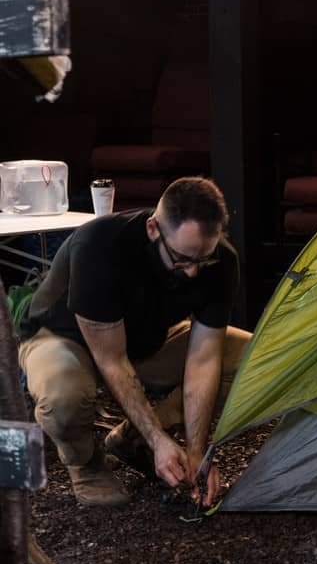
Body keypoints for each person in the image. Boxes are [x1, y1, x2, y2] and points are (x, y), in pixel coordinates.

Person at [18, 176, 249, 508]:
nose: (193, 272)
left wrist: (197, 450)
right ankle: (85, 462)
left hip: (144, 339)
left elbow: (204, 358)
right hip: (63, 338)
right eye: (182, 260)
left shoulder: (221, 261)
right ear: (154, 229)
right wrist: (161, 442)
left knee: (248, 357)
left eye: (203, 260)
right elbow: (111, 360)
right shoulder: (100, 245)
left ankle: (133, 438)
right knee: (63, 396)